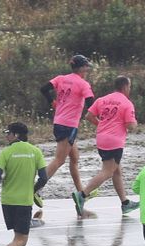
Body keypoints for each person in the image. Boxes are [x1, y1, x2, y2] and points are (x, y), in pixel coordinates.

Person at [0, 122, 46, 246]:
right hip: (24, 202)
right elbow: (44, 177)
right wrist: (33, 189)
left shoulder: (6, 152)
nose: (6, 136)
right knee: (22, 241)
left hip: (7, 201)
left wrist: (4, 180)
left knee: (17, 239)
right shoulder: (36, 152)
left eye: (8, 133)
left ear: (16, 135)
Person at [74, 75, 138, 216]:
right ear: (125, 87)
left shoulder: (102, 99)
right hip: (115, 141)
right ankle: (83, 195)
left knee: (117, 171)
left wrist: (102, 124)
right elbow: (130, 125)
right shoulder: (126, 103)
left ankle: (125, 203)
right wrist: (135, 124)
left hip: (102, 139)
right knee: (108, 171)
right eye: (130, 87)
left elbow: (89, 116)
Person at [41, 55, 95, 197]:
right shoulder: (83, 84)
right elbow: (91, 105)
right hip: (69, 126)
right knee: (59, 160)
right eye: (86, 66)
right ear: (82, 67)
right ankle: (35, 188)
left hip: (58, 122)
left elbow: (44, 89)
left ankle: (81, 193)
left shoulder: (61, 79)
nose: (88, 69)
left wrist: (52, 102)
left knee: (74, 158)